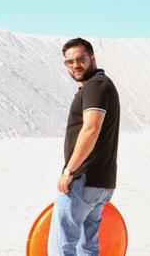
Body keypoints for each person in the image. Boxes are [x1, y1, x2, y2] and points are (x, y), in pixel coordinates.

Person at [48, 37, 120, 256]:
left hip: (83, 179)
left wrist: (70, 171)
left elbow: (91, 129)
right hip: (102, 182)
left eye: (80, 59)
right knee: (87, 246)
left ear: (92, 58)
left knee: (62, 245)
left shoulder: (95, 86)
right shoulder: (101, 85)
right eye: (69, 62)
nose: (75, 65)